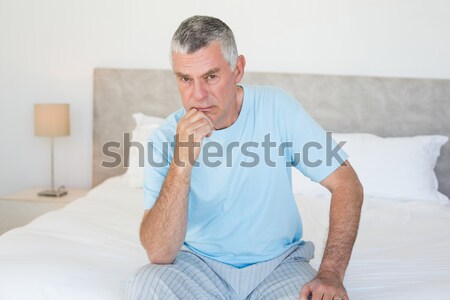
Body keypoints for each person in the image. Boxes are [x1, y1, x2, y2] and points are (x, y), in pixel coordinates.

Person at [123, 15, 363, 300]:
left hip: (279, 266)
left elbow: (347, 183)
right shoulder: (164, 138)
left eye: (211, 76)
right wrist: (182, 160)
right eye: (185, 79)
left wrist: (330, 273)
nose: (198, 95)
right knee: (143, 286)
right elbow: (160, 253)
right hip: (196, 265)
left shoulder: (278, 108)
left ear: (238, 69)